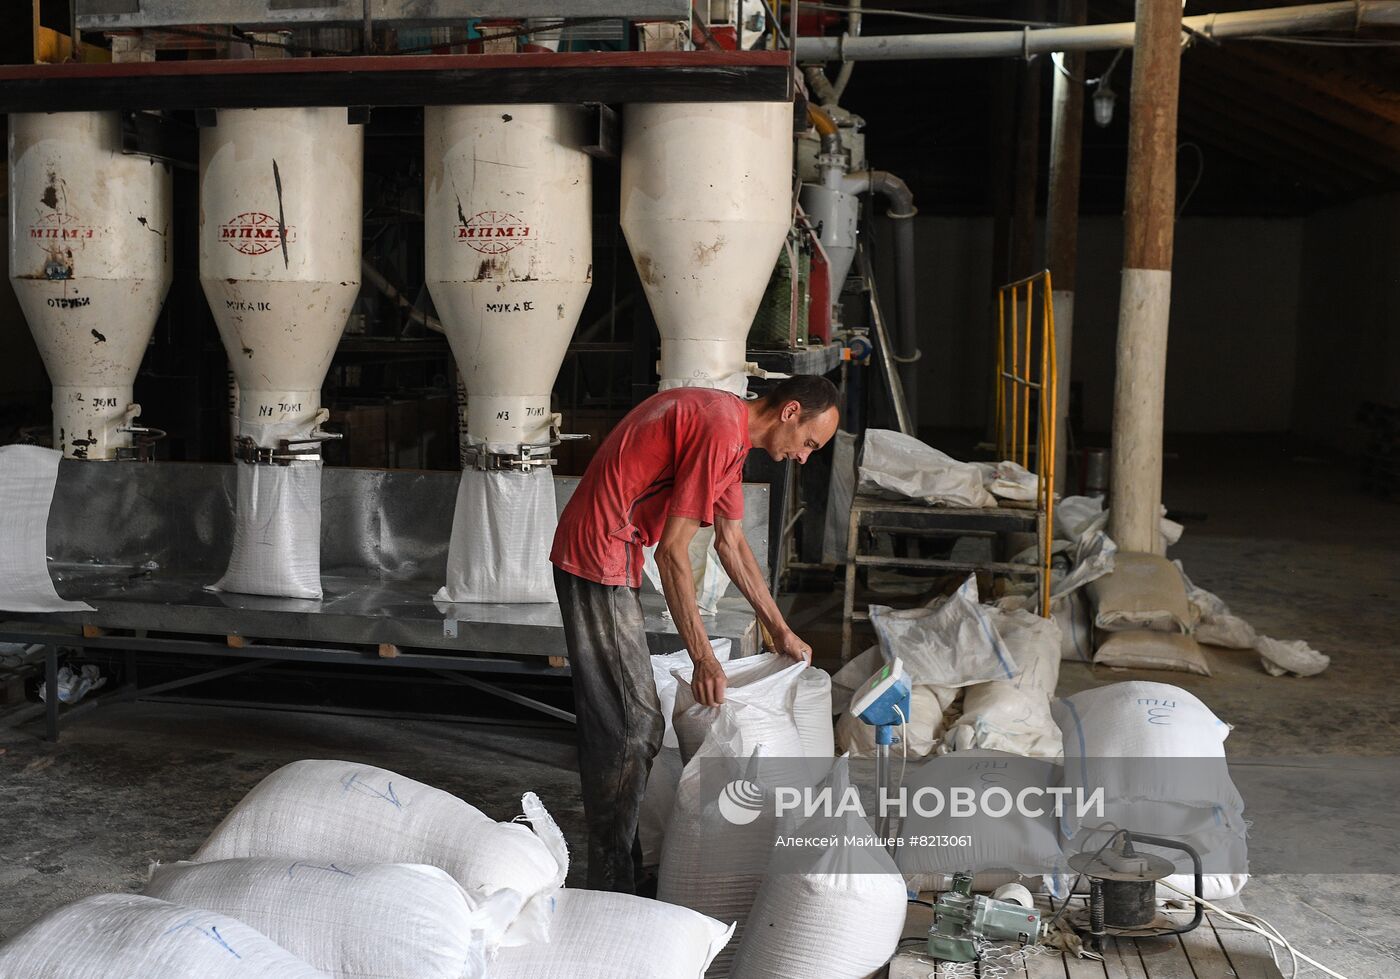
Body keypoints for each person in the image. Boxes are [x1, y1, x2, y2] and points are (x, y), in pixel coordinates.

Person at [549, 374, 841, 892]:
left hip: (614, 551)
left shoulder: (731, 439)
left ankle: (622, 864)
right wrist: (703, 658)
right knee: (630, 726)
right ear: (791, 412)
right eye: (810, 444)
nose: (804, 458)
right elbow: (672, 552)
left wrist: (780, 629)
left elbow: (732, 545)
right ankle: (612, 880)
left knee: (628, 721)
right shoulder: (718, 430)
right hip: (596, 554)